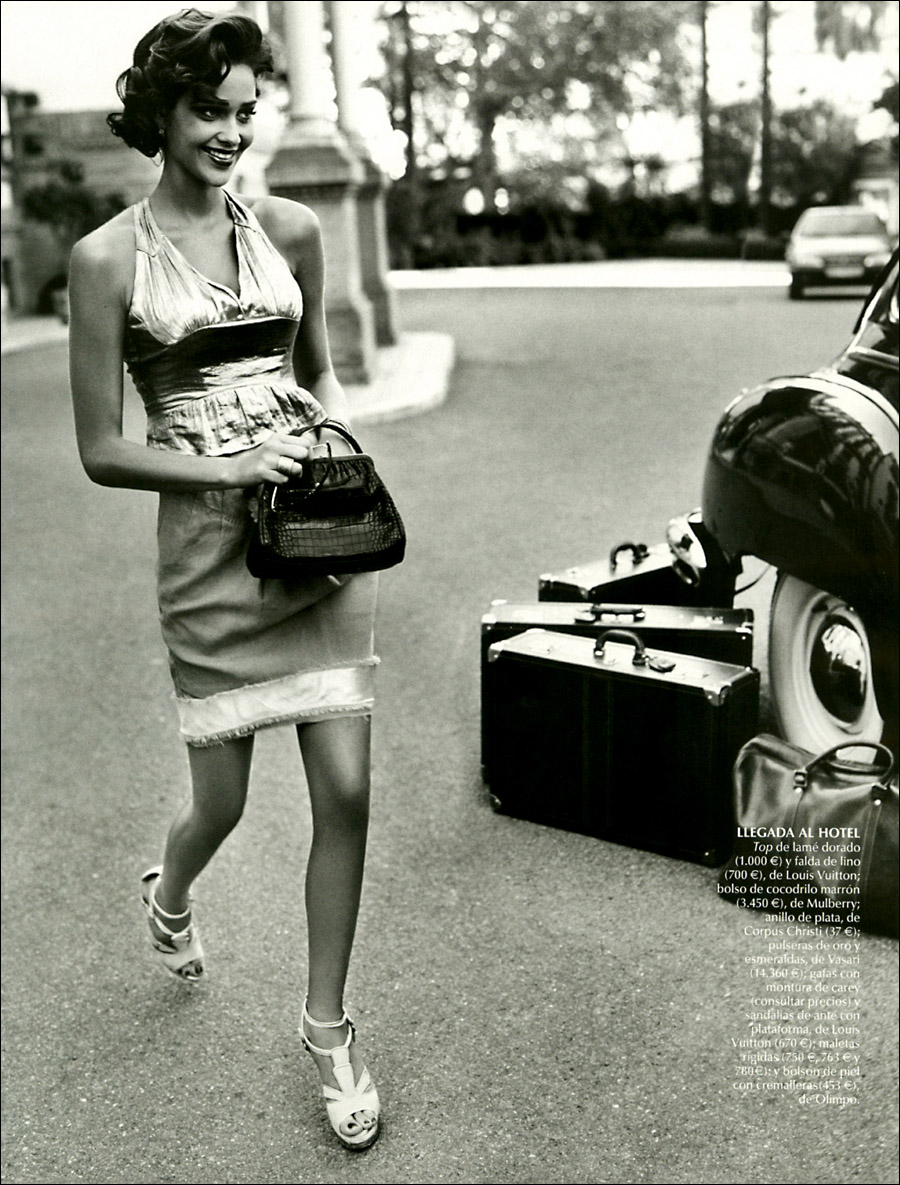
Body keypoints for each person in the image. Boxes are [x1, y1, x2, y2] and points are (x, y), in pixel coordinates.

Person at [68, 9, 381, 1151]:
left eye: (247, 111)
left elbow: (323, 375)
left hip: (314, 542)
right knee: (225, 801)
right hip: (207, 558)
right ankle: (170, 894)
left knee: (347, 791)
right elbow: (101, 450)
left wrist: (337, 455)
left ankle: (327, 1027)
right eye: (210, 109)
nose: (232, 133)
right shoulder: (106, 260)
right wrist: (229, 464)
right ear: (161, 111)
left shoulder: (293, 228)